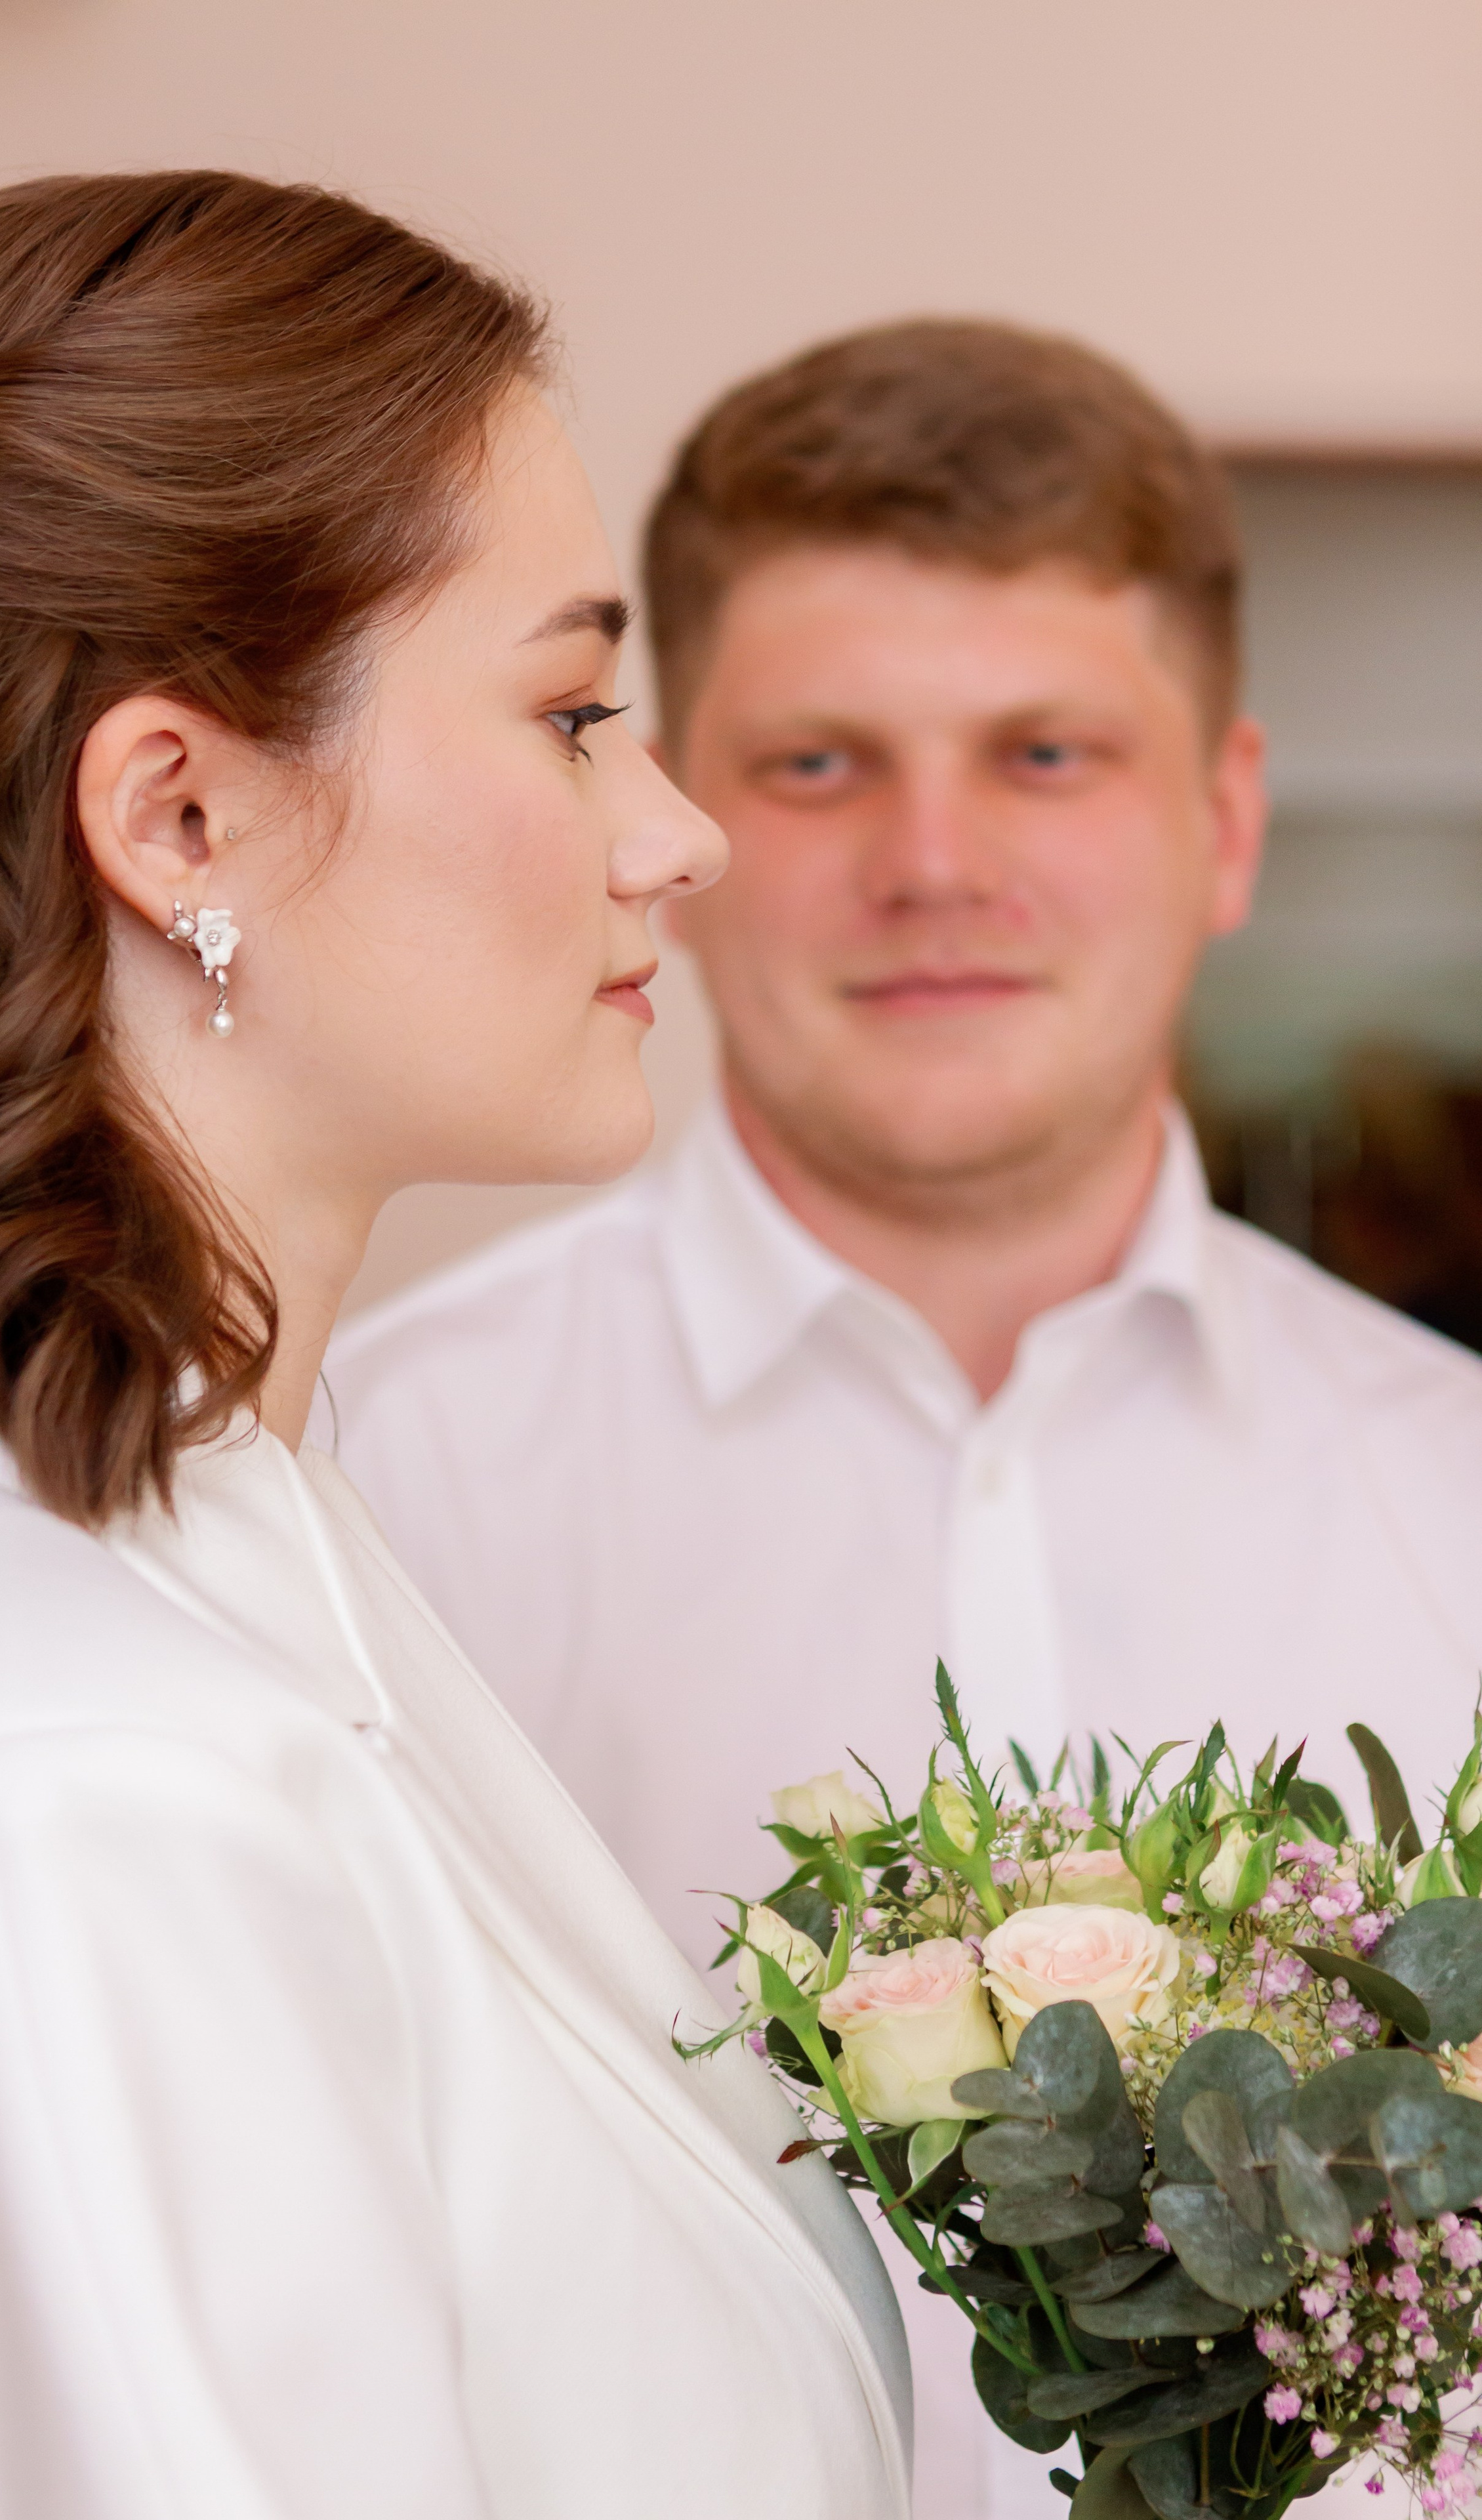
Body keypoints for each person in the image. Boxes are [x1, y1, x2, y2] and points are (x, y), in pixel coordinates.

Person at [0, 175, 912, 2519]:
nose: (681, 836)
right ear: (176, 810)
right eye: (575, 712)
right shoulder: (69, 1775)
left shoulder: (256, 1555)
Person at [326, 320, 1482, 2520]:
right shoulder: (375, 1487)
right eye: (821, 764)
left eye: (1046, 754)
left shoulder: (1465, 1492)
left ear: (1224, 820)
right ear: (654, 815)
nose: (935, 860)